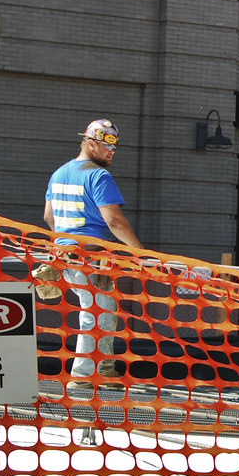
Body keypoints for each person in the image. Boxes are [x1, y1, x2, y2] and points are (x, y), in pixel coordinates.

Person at [43, 119, 142, 392]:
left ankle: (104, 368)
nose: (112, 152)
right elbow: (114, 221)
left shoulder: (59, 174)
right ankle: (85, 374)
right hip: (91, 258)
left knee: (102, 311)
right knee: (95, 313)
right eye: (107, 145)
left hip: (66, 255)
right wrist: (139, 252)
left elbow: (48, 216)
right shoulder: (98, 176)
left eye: (115, 146)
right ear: (90, 143)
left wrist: (63, 240)